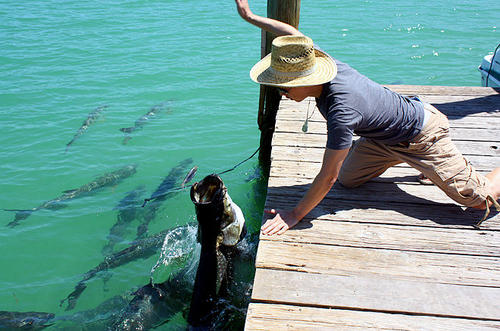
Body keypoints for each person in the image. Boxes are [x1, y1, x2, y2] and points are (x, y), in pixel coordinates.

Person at [234, 0, 500, 234]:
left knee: (480, 201)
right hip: (384, 138)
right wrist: (249, 16)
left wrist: (295, 214)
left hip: (423, 135)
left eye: (284, 86)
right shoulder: (320, 61)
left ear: (306, 78)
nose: (281, 93)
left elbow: (327, 176)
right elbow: (292, 34)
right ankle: (417, 164)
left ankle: (426, 163)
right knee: (348, 179)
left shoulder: (342, 110)